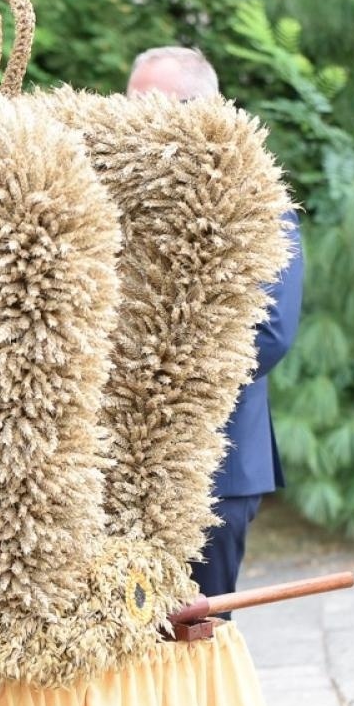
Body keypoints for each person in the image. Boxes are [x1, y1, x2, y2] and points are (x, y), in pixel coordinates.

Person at [126, 47, 304, 613]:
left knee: (201, 637)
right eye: (129, 107)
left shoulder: (259, 202)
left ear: (206, 109)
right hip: (121, 469)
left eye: (151, 108)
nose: (134, 123)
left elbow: (268, 333)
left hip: (215, 466)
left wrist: (154, 382)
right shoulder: (116, 197)